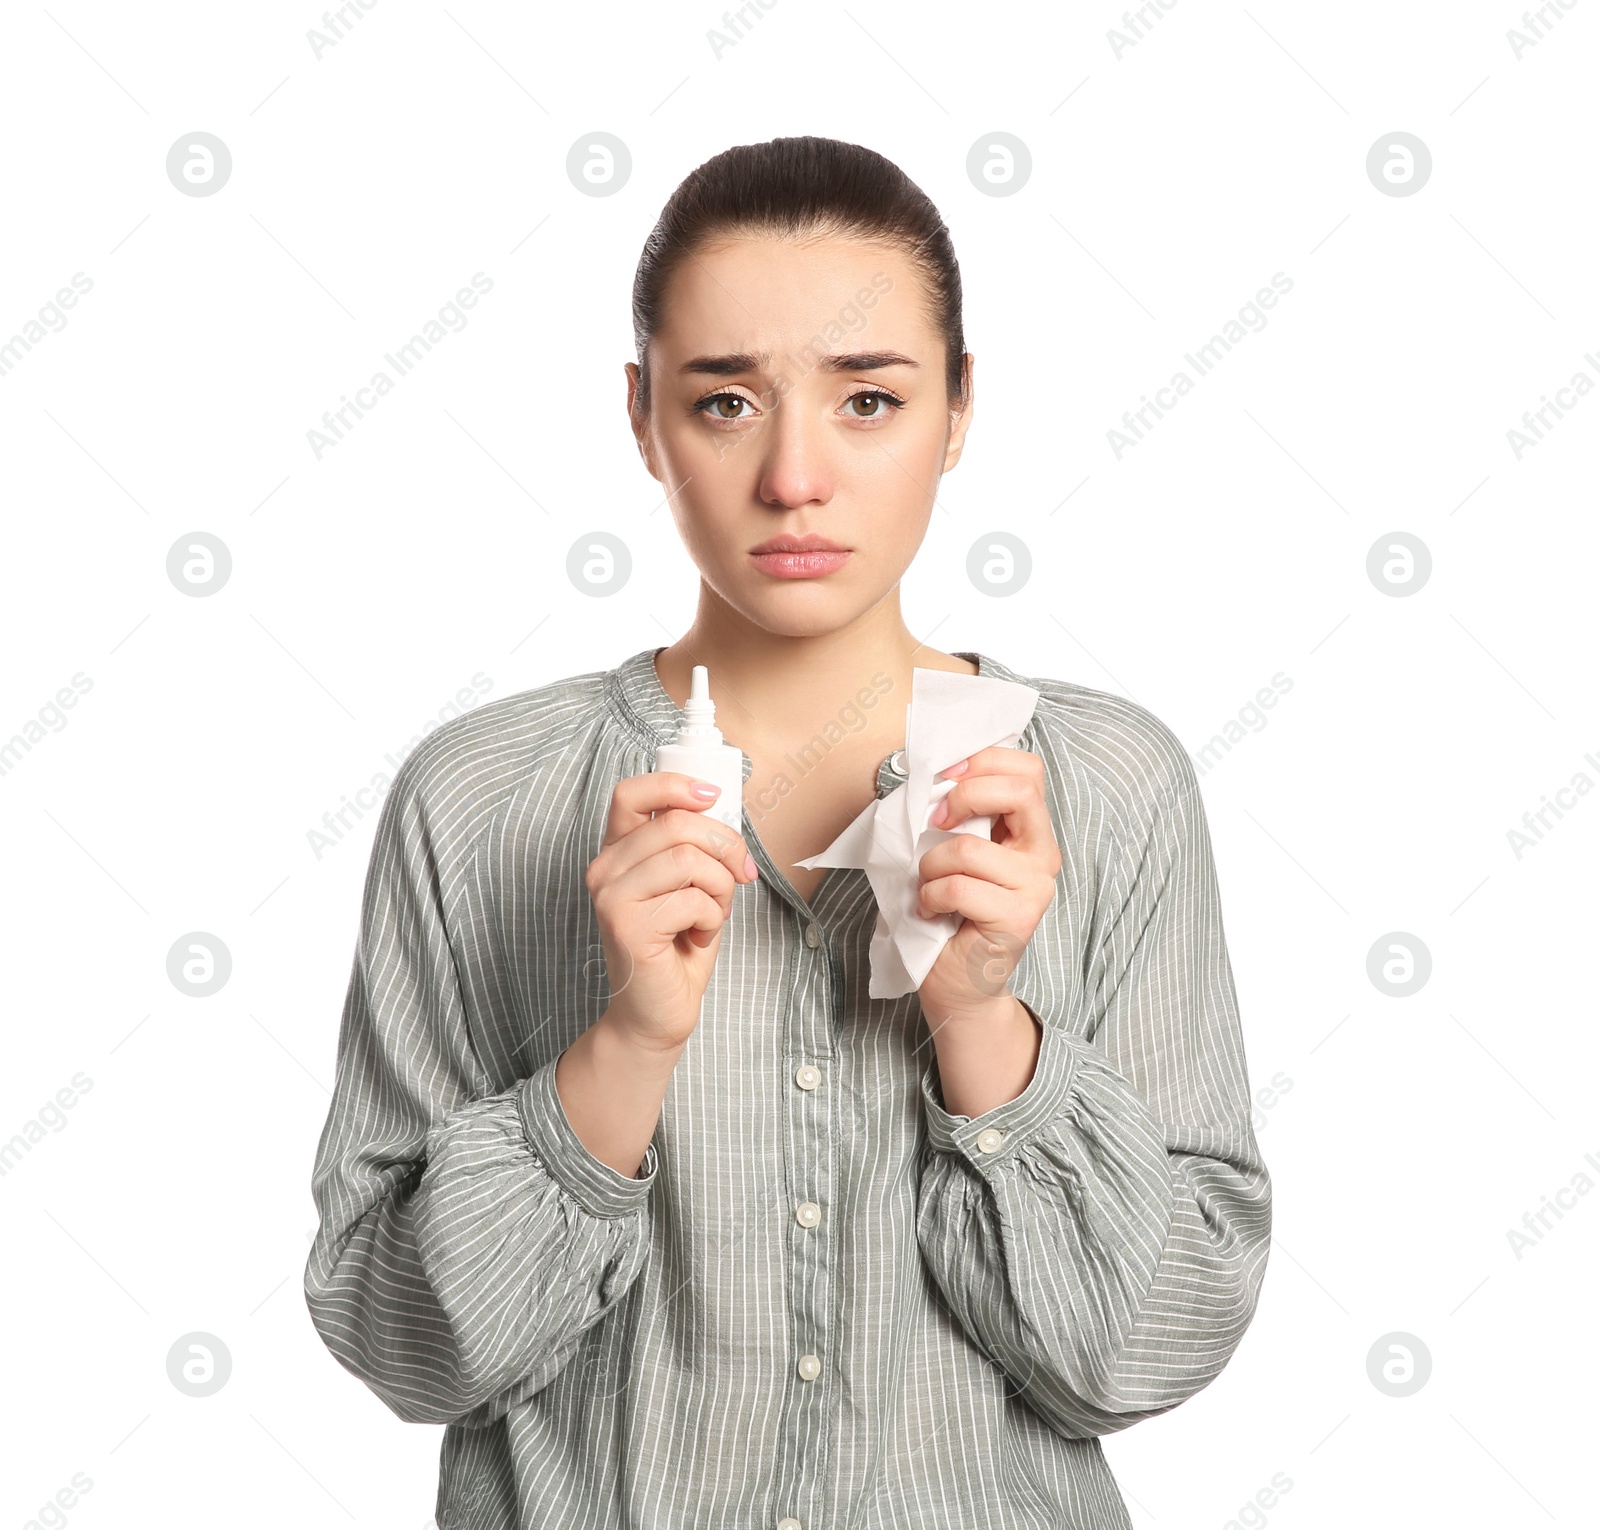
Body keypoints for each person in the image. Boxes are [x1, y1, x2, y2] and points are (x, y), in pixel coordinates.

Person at [304, 134, 1272, 1529]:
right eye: (726, 404)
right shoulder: (480, 798)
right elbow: (405, 1345)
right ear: (643, 418)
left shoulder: (1109, 789)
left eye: (870, 400)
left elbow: (1148, 1349)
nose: (796, 477)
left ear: (958, 411)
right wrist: (622, 1047)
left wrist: (987, 1025)